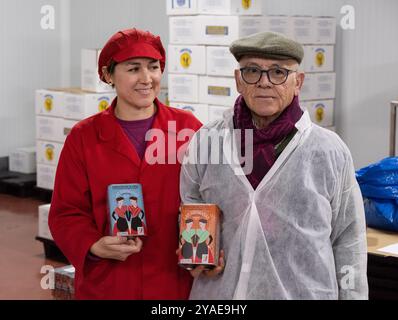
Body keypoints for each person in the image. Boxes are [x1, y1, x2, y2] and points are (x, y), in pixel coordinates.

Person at [180, 31, 368, 299]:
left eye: (279, 72)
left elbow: (349, 241)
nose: (264, 82)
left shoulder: (328, 151)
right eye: (252, 71)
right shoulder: (207, 142)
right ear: (238, 80)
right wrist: (195, 257)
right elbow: (191, 207)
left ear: (298, 81)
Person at [48, 28, 202, 299]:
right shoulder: (84, 138)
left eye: (153, 67)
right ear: (109, 75)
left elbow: (214, 198)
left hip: (173, 281)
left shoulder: (188, 129)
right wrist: (93, 246)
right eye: (133, 69)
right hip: (109, 283)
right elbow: (65, 212)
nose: (147, 79)